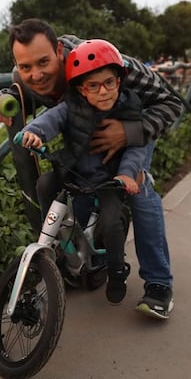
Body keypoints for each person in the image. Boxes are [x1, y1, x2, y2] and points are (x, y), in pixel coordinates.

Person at [5, 19, 183, 319]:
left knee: (139, 190)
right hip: (83, 132)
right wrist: (5, 101)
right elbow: (19, 95)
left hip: (135, 124)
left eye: (44, 62)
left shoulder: (112, 64)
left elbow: (171, 104)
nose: (35, 74)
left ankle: (158, 284)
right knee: (70, 186)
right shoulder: (23, 76)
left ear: (60, 51)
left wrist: (127, 133)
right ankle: (81, 259)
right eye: (26, 67)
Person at [18, 39, 144, 305]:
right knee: (45, 184)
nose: (103, 92)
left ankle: (116, 270)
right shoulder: (70, 106)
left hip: (110, 180)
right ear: (81, 90)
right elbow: (49, 120)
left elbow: (135, 148)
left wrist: (127, 174)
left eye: (110, 82)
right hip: (75, 172)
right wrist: (34, 133)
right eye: (93, 86)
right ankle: (50, 239)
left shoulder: (128, 110)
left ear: (119, 81)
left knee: (111, 223)